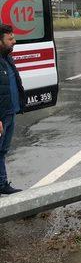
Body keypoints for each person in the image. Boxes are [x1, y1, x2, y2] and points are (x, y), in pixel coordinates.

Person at [0, 25, 25, 195]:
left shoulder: (7, 58)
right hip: (2, 116)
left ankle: (2, 184)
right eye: (10, 39)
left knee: (2, 151)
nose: (14, 41)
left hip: (10, 112)